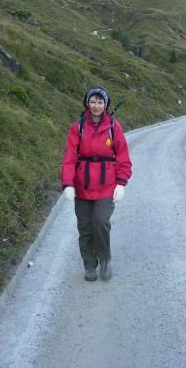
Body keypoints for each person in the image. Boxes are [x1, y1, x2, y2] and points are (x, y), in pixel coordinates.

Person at [61, 87, 132, 281]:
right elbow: (69, 157)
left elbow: (124, 157)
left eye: (100, 102)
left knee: (100, 223)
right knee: (85, 227)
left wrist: (121, 183)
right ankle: (89, 265)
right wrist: (68, 183)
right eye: (92, 101)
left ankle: (105, 259)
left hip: (106, 186)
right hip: (82, 186)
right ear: (87, 103)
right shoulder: (78, 127)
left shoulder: (113, 128)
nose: (96, 106)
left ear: (106, 104)